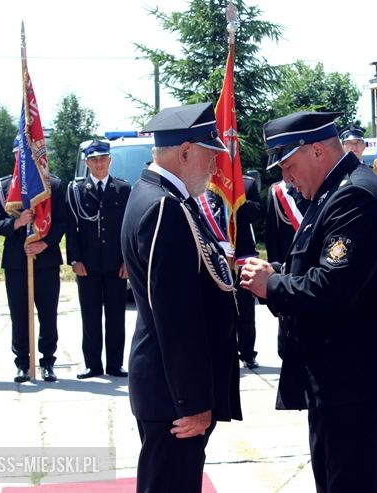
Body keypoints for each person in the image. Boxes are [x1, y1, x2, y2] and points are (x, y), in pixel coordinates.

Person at [240, 111, 377, 493]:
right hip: (340, 379)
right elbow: (320, 263)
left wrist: (272, 286)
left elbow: (334, 285)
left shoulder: (356, 194)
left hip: (360, 382)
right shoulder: (332, 192)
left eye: (288, 166)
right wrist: (275, 271)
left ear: (316, 152)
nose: (286, 177)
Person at [120, 103, 242, 493]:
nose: (214, 167)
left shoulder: (157, 196)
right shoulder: (163, 208)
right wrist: (192, 401)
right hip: (173, 393)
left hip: (167, 385)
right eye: (210, 155)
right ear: (185, 151)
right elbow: (175, 316)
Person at [0, 158, 66, 383]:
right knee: (19, 315)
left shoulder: (52, 185)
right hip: (17, 262)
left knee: (48, 315)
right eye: (19, 153)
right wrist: (17, 223)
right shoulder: (4, 186)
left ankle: (47, 362)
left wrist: (45, 243)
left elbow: (62, 221)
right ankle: (23, 363)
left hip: (46, 261)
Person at [65, 140, 130, 379]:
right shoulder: (76, 190)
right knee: (90, 316)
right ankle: (92, 364)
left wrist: (127, 261)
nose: (99, 164)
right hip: (88, 265)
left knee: (116, 316)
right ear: (86, 163)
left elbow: (128, 228)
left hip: (116, 265)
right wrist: (74, 259)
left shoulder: (123, 189)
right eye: (94, 160)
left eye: (103, 159)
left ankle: (115, 364)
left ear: (110, 160)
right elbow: (72, 228)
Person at [265, 179, 309, 358]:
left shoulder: (318, 186)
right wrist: (274, 268)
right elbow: (271, 233)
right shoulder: (277, 192)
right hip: (286, 264)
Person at [234, 173, 263, 369]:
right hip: (218, 255)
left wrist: (239, 198)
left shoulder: (247, 183)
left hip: (242, 254)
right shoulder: (208, 183)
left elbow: (259, 214)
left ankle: (247, 353)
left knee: (245, 309)